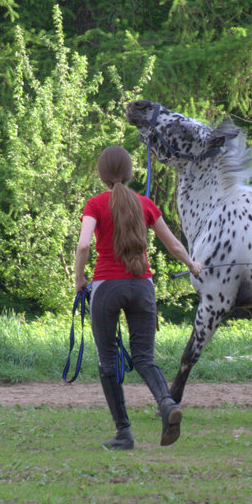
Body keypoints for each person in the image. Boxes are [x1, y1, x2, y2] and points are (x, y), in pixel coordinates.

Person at [74, 145, 203, 450]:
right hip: (142, 286)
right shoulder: (145, 204)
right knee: (144, 358)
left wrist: (80, 278)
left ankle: (124, 433)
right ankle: (167, 405)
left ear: (102, 174)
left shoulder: (94, 204)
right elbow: (173, 245)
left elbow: (82, 246)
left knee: (108, 363)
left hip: (106, 288)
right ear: (130, 173)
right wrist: (192, 266)